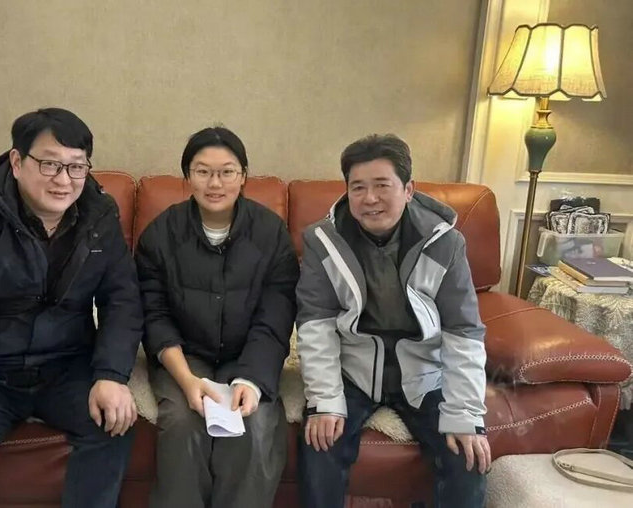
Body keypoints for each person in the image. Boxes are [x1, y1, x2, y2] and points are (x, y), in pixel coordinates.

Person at [0, 108, 143, 508]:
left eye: (76, 167)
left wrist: (111, 374)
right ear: (17, 162)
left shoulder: (99, 213)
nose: (64, 180)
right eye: (50, 164)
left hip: (67, 367)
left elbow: (122, 298)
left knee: (114, 424)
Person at [295, 133, 490, 507]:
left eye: (382, 185)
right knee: (319, 446)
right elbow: (315, 325)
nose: (370, 198)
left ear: (408, 189)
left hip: (423, 371)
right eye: (358, 187)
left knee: (466, 456)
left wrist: (465, 414)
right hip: (353, 369)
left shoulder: (446, 243)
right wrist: (325, 401)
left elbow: (463, 330)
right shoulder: (323, 240)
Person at [135, 126, 298, 508]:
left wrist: (252, 380)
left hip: (249, 354)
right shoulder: (161, 234)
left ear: (243, 175)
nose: (215, 183)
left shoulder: (271, 233)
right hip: (185, 354)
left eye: (227, 172)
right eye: (203, 171)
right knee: (181, 421)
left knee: (255, 425)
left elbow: (276, 315)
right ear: (187, 176)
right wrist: (186, 379)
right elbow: (154, 315)